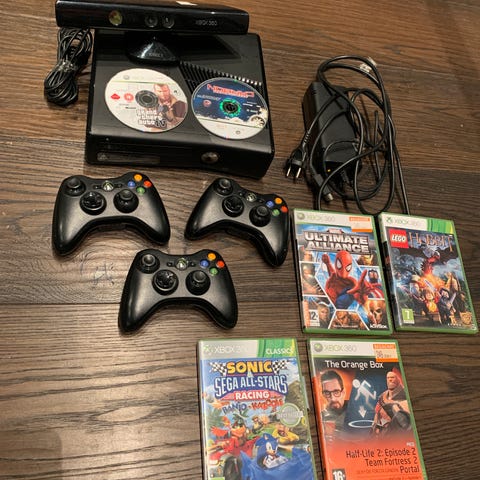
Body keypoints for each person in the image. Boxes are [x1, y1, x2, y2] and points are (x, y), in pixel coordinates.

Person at [371, 370, 411, 435]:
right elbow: (377, 414)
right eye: (388, 378)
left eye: (392, 377)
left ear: (398, 379)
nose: (390, 379)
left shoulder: (406, 395)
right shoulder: (382, 396)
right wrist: (375, 427)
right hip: (383, 432)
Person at [319, 370, 348, 435]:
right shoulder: (320, 418)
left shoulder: (356, 411)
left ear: (343, 392)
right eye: (327, 393)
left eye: (336, 392)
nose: (333, 399)